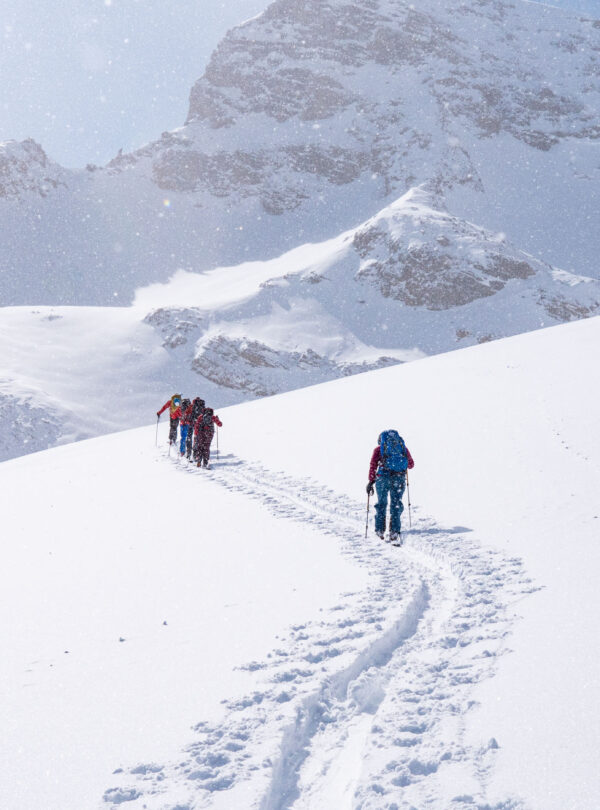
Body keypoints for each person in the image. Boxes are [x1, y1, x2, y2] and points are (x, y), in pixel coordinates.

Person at [366, 430, 414, 543]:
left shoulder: (378, 450)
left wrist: (370, 481)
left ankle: (379, 531)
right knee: (396, 504)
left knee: (381, 503)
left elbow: (373, 465)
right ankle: (394, 532)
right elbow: (411, 465)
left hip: (382, 478)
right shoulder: (403, 448)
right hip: (399, 478)